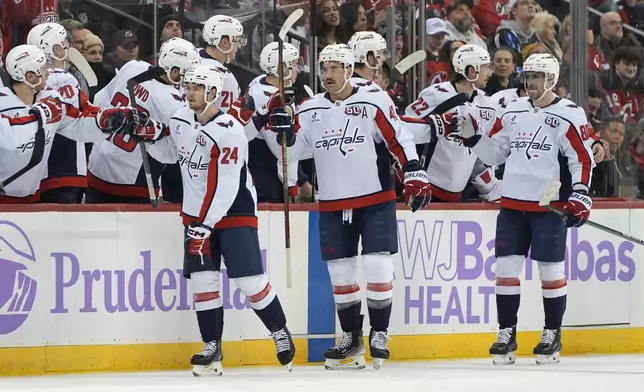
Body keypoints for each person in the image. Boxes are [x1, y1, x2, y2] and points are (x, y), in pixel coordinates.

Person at [268, 44, 431, 370]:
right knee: (340, 273)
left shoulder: (373, 100)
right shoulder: (309, 109)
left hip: (375, 200)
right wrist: (282, 132)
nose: (327, 75)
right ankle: (351, 338)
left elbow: (398, 137)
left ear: (348, 68)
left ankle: (380, 333)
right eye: (323, 68)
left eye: (334, 68)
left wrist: (413, 168)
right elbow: (292, 152)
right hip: (331, 202)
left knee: (377, 266)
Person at [126, 64, 296, 376]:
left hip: (234, 211)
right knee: (204, 282)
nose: (190, 92)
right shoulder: (179, 119)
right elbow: (170, 153)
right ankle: (212, 346)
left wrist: (205, 225)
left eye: (197, 88)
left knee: (249, 281)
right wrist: (148, 135)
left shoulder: (228, 130)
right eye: (188, 86)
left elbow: (226, 186)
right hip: (196, 214)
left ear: (213, 93)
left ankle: (279, 330)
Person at [449, 53, 594, 365]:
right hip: (512, 205)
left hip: (548, 208)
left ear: (552, 79)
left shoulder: (570, 114)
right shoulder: (513, 111)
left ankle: (551, 333)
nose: (530, 82)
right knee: (505, 271)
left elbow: (581, 157)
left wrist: (580, 193)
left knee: (551, 272)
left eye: (537, 77)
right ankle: (506, 332)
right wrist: (473, 137)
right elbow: (495, 152)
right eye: (527, 76)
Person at [0, 45, 133, 203]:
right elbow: (10, 139)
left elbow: (75, 123)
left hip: (31, 197)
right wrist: (43, 115)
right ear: (30, 76)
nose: (47, 73)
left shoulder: (49, 98)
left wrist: (107, 120)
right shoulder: (3, 102)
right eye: (43, 69)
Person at [87, 38, 199, 203]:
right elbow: (172, 154)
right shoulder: (176, 104)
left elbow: (99, 101)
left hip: (97, 166)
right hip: (132, 182)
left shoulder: (133, 67)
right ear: (175, 70)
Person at [405, 44, 501, 203]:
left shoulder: (488, 105)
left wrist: (488, 186)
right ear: (472, 70)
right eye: (485, 67)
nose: (490, 73)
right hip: (426, 190)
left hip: (458, 196)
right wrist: (435, 126)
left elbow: (480, 152)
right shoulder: (436, 94)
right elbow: (402, 129)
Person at [27, 22, 95, 203]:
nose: (68, 46)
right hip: (66, 167)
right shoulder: (64, 78)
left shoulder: (32, 81)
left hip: (40, 170)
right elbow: (82, 115)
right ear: (56, 49)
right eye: (65, 42)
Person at [246, 41, 304, 202]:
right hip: (265, 176)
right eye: (294, 64)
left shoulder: (258, 82)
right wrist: (291, 186)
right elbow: (281, 149)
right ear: (281, 67)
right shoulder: (273, 99)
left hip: (255, 169)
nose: (298, 69)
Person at [199, 15, 245, 111]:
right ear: (224, 42)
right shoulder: (226, 78)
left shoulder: (191, 56)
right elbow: (227, 119)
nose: (239, 46)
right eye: (237, 41)